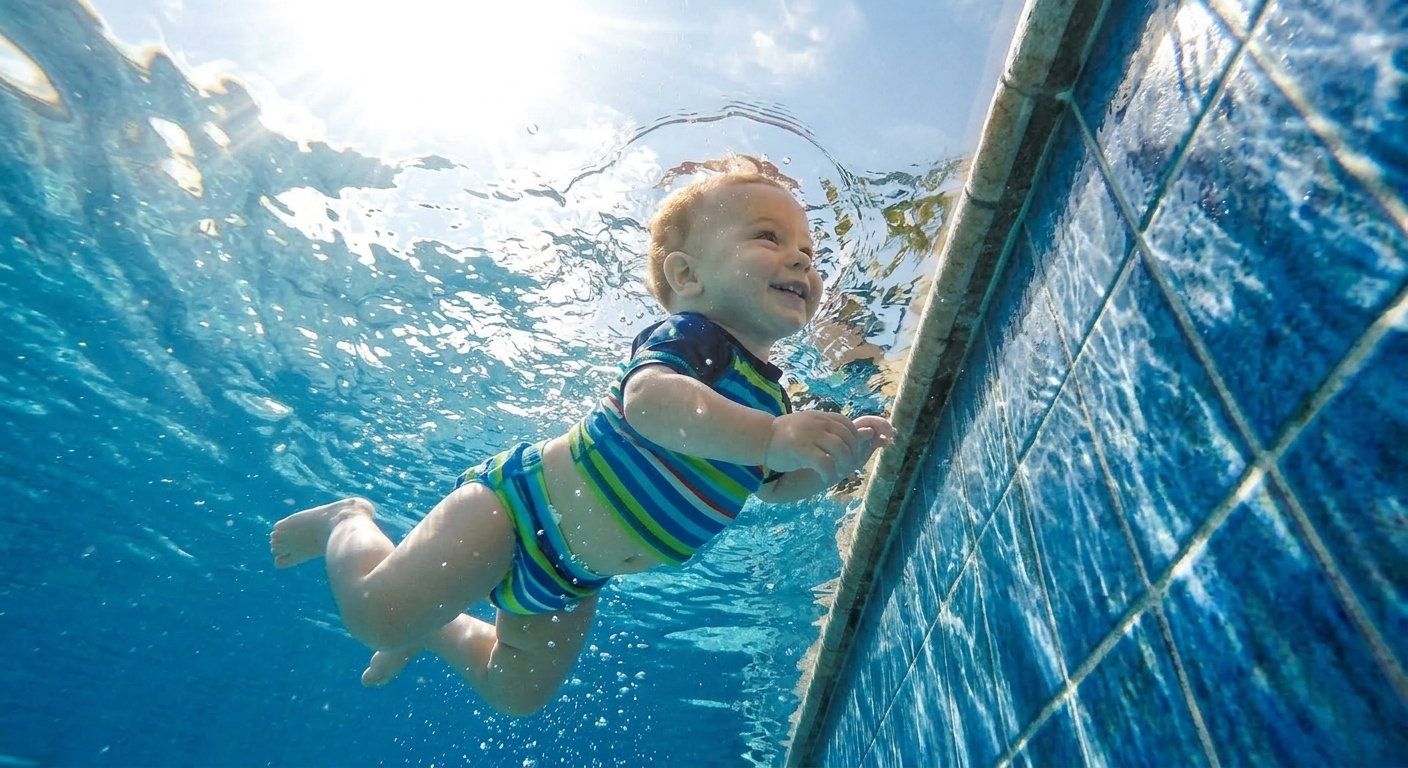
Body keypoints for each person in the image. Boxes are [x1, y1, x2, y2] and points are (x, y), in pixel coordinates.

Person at [269, 155, 897, 717]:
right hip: (514, 511)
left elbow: (771, 489)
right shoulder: (697, 341)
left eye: (809, 253)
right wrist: (772, 437)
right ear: (688, 276)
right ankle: (347, 520)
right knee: (377, 618)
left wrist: (828, 458)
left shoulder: (772, 402)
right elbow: (649, 402)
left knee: (515, 694)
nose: (800, 260)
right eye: (769, 237)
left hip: (572, 579)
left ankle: (428, 628)